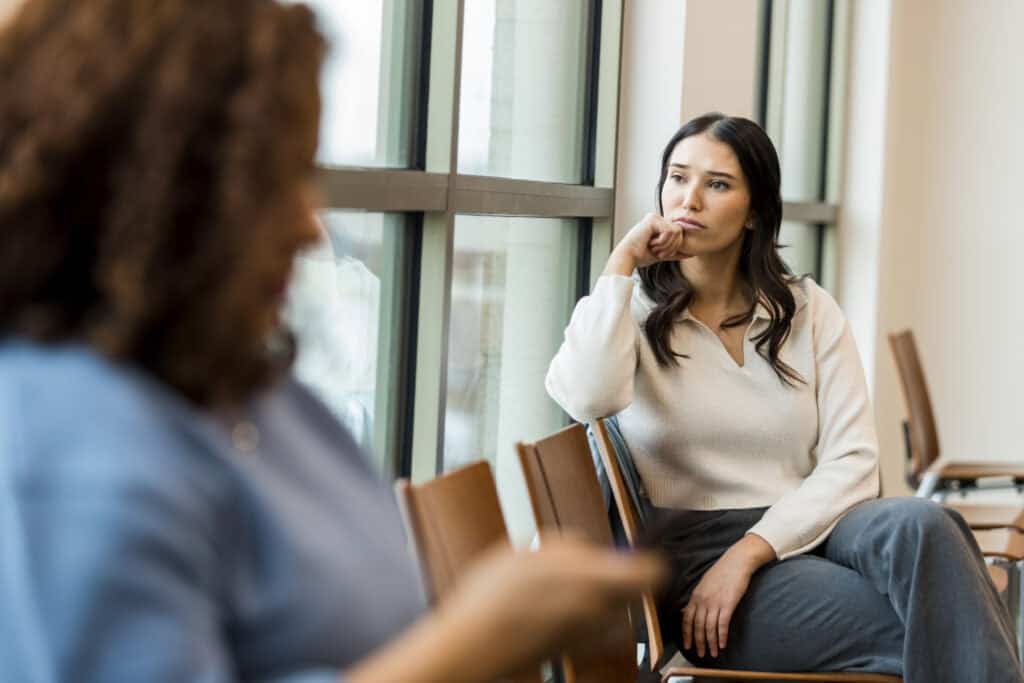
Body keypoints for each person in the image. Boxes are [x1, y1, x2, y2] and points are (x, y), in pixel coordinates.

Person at [0, 2, 665, 681]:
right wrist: (476, 640)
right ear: (157, 191)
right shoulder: (63, 449)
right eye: (274, 181)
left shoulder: (259, 394)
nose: (309, 227)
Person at [546, 112, 1023, 681]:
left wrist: (751, 550)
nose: (689, 199)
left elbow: (854, 463)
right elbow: (586, 397)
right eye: (677, 178)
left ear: (753, 212)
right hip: (697, 561)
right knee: (944, 630)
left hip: (813, 529)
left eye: (716, 184)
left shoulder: (806, 309)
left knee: (927, 524)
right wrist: (621, 264)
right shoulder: (629, 311)